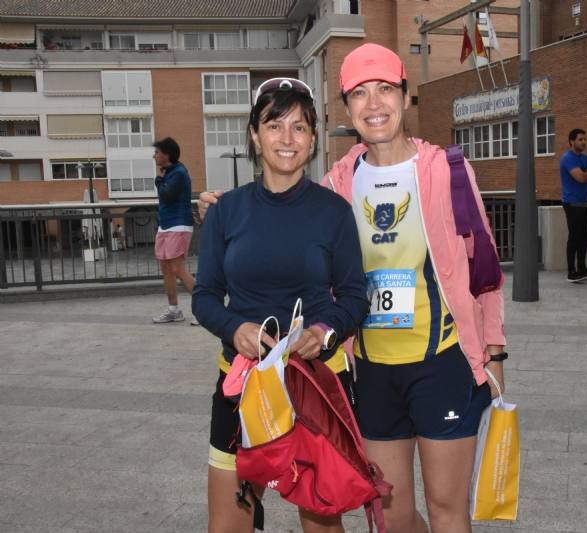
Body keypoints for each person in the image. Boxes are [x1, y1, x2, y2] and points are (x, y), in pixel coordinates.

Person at [200, 43, 507, 533]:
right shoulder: (340, 181)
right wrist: (225, 209)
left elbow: (484, 266)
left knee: (448, 508)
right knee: (390, 512)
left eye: (385, 89)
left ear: (406, 97)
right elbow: (283, 212)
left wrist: (494, 351)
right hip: (373, 371)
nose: (374, 103)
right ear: (346, 109)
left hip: (442, 360)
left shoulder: (444, 170)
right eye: (360, 93)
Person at [192, 78, 369, 533]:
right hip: (242, 382)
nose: (287, 139)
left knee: (321, 521)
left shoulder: (333, 212)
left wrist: (324, 331)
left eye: (300, 127)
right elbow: (205, 297)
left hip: (316, 382)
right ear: (254, 134)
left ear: (312, 139)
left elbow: (353, 297)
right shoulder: (226, 211)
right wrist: (235, 329)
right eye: (274, 125)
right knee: (229, 522)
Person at [152, 137, 196, 324]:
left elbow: (167, 196)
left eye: (157, 153)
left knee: (178, 269)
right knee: (167, 269)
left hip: (179, 225)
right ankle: (173, 310)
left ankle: (206, 310)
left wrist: (158, 181)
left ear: (167, 155)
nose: (154, 156)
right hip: (166, 225)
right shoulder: (169, 172)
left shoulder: (178, 173)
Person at [560, 128, 587, 282]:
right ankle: (572, 272)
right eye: (580, 139)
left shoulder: (585, 158)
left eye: (584, 139)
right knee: (574, 236)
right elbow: (581, 178)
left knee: (585, 236)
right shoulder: (567, 158)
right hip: (571, 203)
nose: (584, 142)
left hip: (584, 204)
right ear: (572, 141)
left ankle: (582, 268)